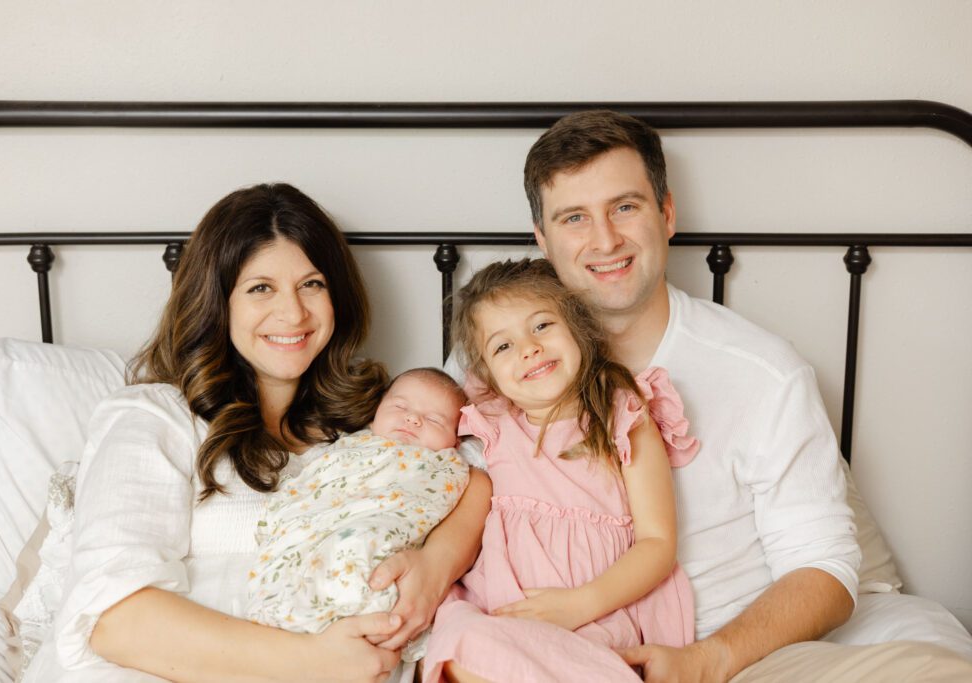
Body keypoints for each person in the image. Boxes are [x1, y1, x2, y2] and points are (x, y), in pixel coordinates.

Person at [506, 110, 972, 681]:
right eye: (574, 217)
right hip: (540, 651)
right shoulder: (496, 365)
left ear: (667, 214)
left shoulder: (762, 373)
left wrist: (709, 660)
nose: (604, 240)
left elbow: (823, 566)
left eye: (625, 207)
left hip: (737, 651)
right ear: (542, 240)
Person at [24, 182, 491, 683]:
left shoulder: (379, 425)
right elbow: (115, 619)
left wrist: (436, 566)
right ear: (217, 301)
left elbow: (474, 480)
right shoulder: (154, 417)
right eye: (260, 288)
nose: (292, 314)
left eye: (312, 284)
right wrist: (313, 663)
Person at [425, 258, 700, 682]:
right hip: (501, 613)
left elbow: (658, 542)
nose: (528, 348)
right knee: (458, 640)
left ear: (577, 326)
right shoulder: (490, 425)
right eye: (502, 346)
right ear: (488, 377)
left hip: (595, 615)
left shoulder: (621, 415)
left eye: (541, 326)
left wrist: (581, 604)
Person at [247, 368, 470, 663]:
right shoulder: (351, 445)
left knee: (361, 544)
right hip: (325, 521)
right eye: (400, 407)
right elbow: (316, 484)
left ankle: (357, 608)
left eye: (434, 419)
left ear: (455, 440)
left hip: (384, 525)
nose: (413, 419)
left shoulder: (445, 464)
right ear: (375, 414)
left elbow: (444, 496)